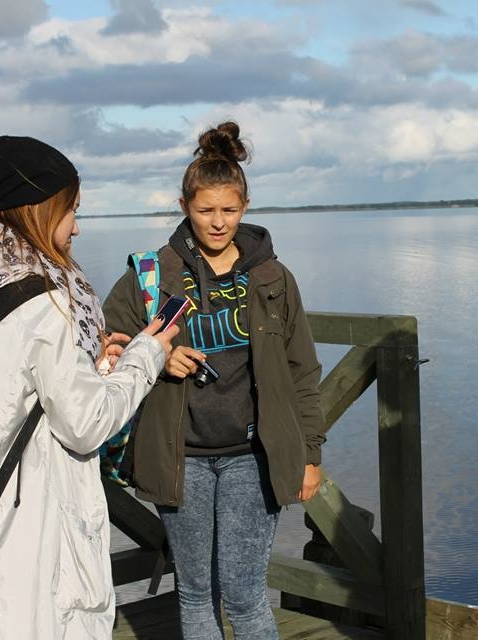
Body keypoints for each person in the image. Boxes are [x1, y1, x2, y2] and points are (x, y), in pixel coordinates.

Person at [0, 135, 177, 639]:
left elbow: (15, 392)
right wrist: (146, 354)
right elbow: (85, 424)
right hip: (25, 528)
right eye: (71, 210)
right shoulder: (41, 301)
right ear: (38, 211)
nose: (76, 227)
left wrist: (94, 369)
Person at [103, 121, 324, 639]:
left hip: (254, 454)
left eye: (228, 210)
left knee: (246, 596)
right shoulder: (153, 274)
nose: (218, 222)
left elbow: (302, 371)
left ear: (244, 207)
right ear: (185, 206)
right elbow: (106, 347)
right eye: (206, 210)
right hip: (182, 458)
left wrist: (310, 453)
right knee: (196, 593)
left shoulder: (272, 278)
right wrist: (156, 357)